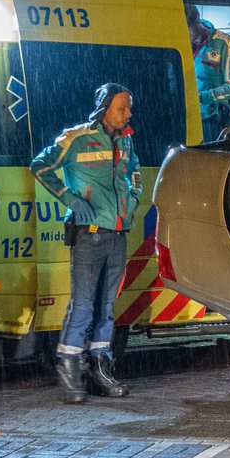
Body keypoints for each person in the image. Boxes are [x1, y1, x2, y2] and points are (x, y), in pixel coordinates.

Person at [30, 83, 141, 403]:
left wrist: (133, 200)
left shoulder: (127, 139)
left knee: (106, 308)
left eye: (129, 107)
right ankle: (69, 374)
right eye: (122, 107)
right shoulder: (76, 138)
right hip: (89, 233)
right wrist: (69, 198)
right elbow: (40, 165)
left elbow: (134, 174)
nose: (128, 113)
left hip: (118, 233)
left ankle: (100, 370)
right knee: (82, 305)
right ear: (104, 107)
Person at [188, 7, 230, 141]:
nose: (184, 34)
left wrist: (201, 97)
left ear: (197, 22)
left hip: (211, 119)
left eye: (187, 29)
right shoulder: (181, 40)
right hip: (185, 116)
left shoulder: (224, 43)